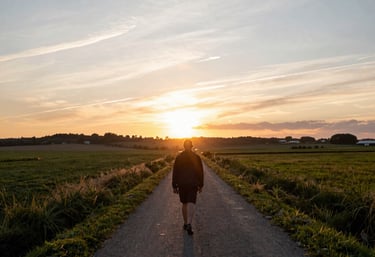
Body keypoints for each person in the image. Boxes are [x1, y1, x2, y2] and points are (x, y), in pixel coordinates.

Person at [172, 139, 204, 235]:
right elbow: (200, 172)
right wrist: (201, 184)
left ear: (184, 146)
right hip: (193, 183)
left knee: (184, 203)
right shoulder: (196, 157)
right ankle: (189, 222)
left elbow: (175, 172)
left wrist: (174, 185)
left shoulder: (179, 157)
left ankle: (185, 223)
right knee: (192, 202)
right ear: (192, 146)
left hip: (182, 184)